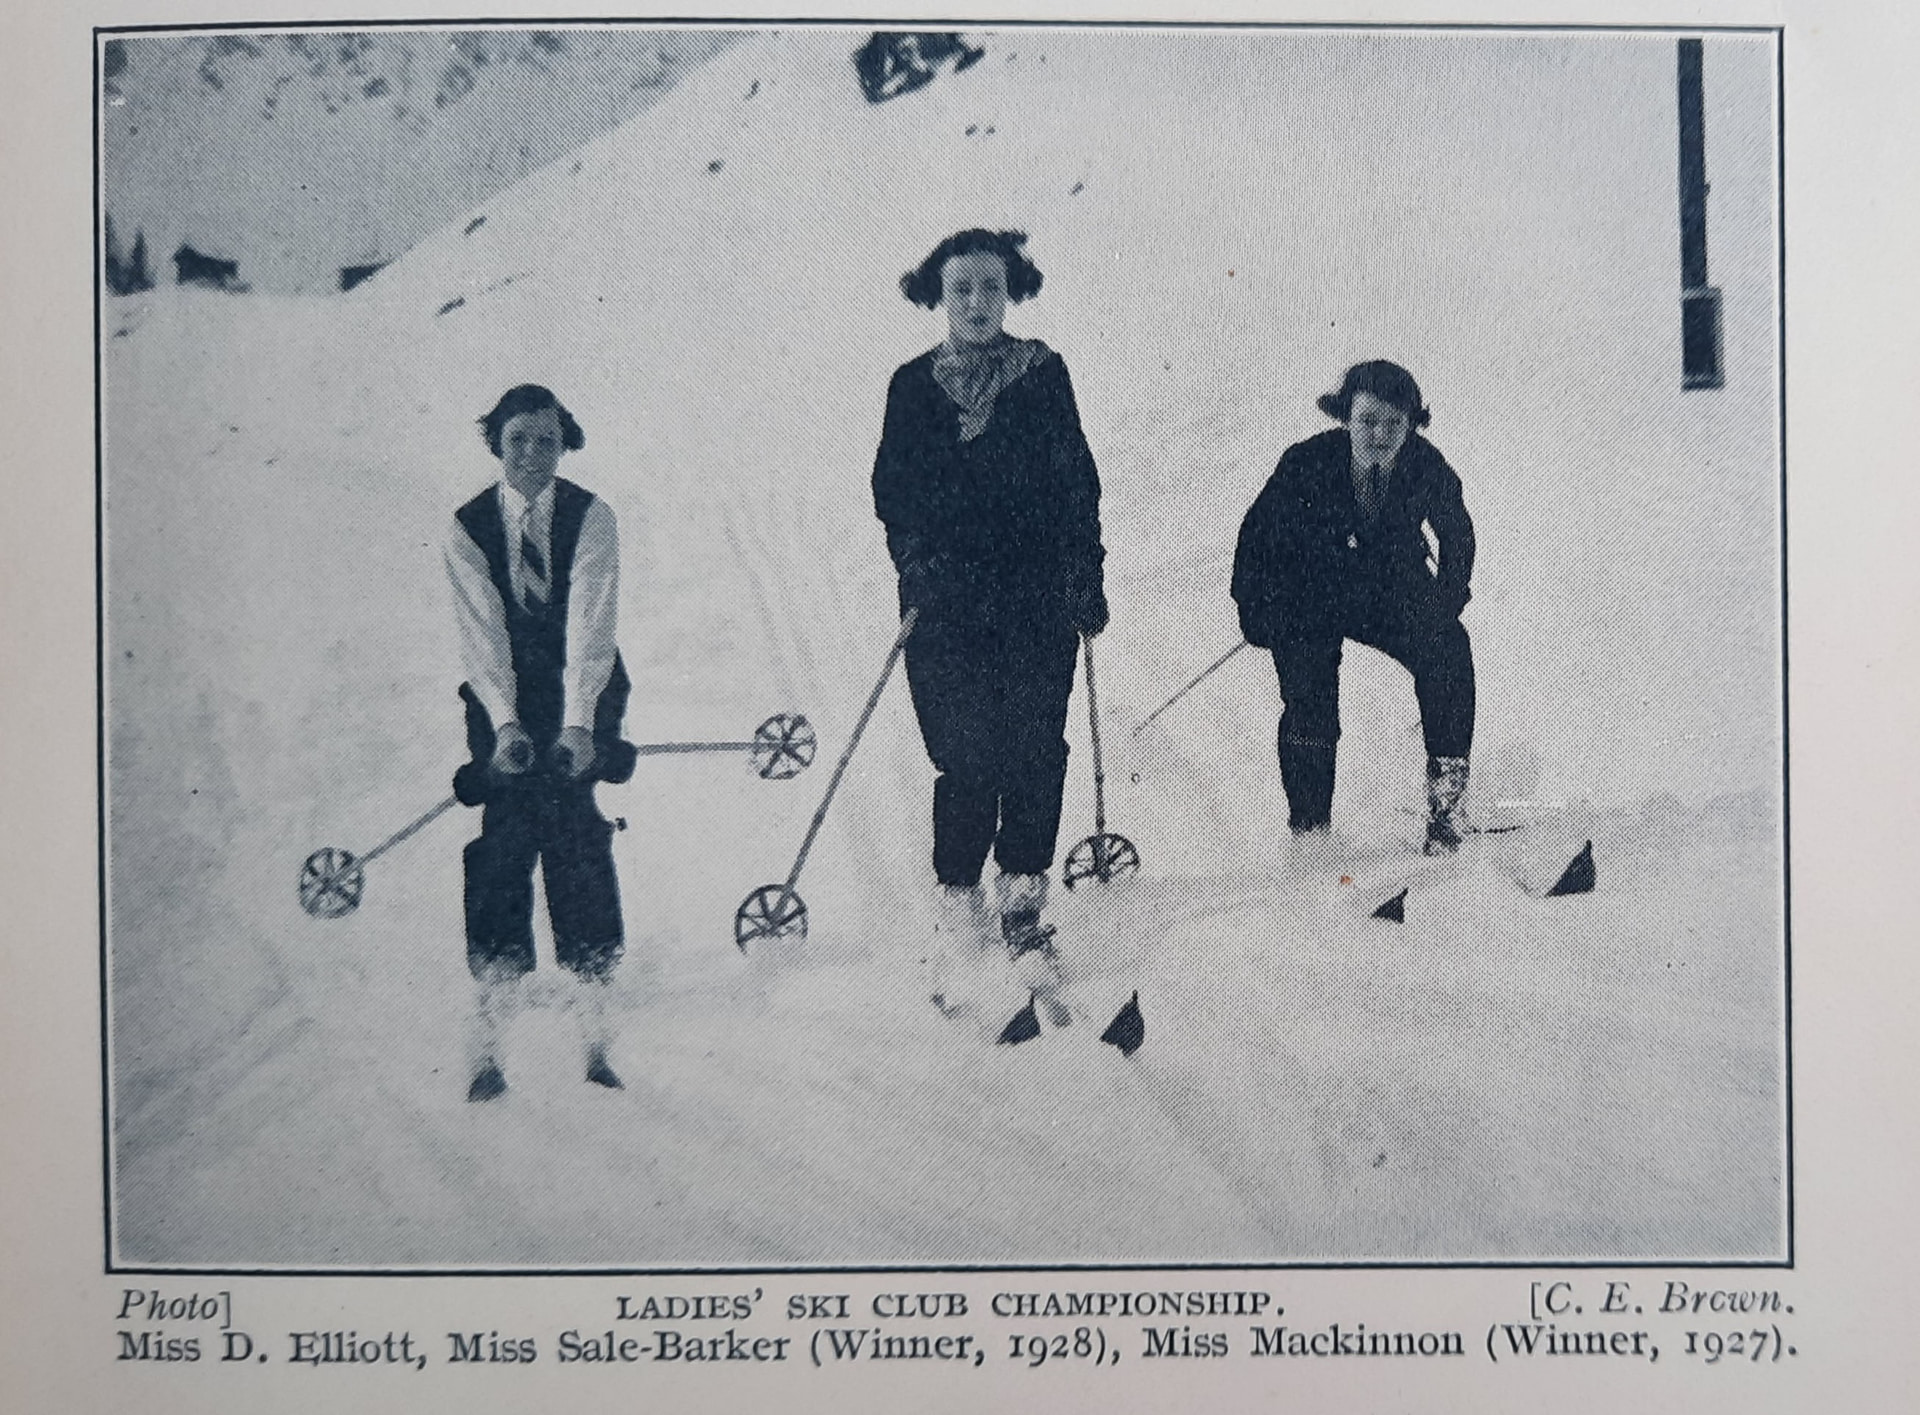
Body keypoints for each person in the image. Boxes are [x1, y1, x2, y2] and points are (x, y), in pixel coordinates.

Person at [871, 229, 1108, 993]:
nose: (977, 303)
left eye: (991, 288)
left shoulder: (1044, 373)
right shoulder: (912, 386)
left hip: (1036, 593)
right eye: (961, 288)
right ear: (938, 295)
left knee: (1037, 748)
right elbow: (894, 494)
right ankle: (959, 901)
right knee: (969, 753)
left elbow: (1077, 480)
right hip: (946, 603)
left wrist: (1085, 570)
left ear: (1012, 291)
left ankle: (1024, 904)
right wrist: (918, 563)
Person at [445, 384, 638, 1100]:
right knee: (505, 832)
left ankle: (595, 994)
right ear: (496, 439)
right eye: (519, 438)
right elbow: (482, 635)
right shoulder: (467, 527)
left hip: (581, 688)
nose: (532, 453)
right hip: (503, 693)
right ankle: (495, 990)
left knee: (574, 830)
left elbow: (591, 621)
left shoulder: (592, 518)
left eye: (547, 441)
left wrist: (581, 724)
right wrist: (503, 725)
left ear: (564, 445)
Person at [1230, 360, 1477, 855]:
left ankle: (1446, 811)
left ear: (1412, 422)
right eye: (1367, 420)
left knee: (1449, 651)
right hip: (1310, 594)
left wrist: (1447, 599)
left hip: (1390, 592)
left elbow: (1458, 534)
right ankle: (1310, 832)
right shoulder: (1305, 462)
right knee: (1309, 699)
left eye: (1394, 423)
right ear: (1345, 416)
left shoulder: (1426, 465)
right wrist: (1256, 608)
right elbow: (1255, 535)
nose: (1380, 434)